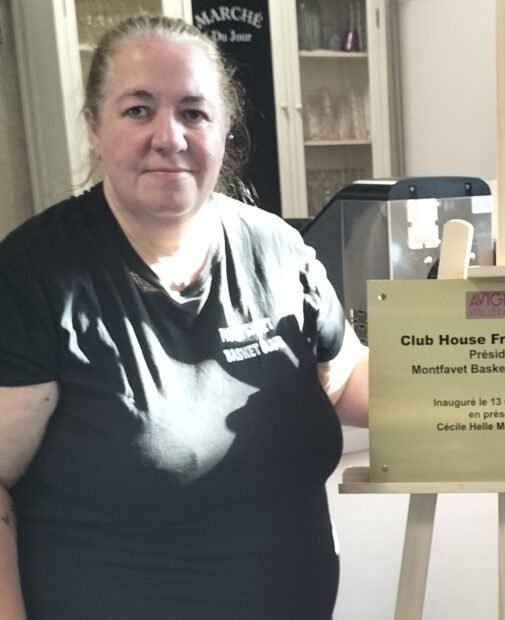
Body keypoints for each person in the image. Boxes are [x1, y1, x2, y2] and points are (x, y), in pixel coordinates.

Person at [0, 14, 368, 619]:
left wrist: (497, 398)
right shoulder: (34, 275)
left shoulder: (276, 249)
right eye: (138, 110)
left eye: (194, 113)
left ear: (222, 129)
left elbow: (348, 377)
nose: (169, 137)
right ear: (94, 126)